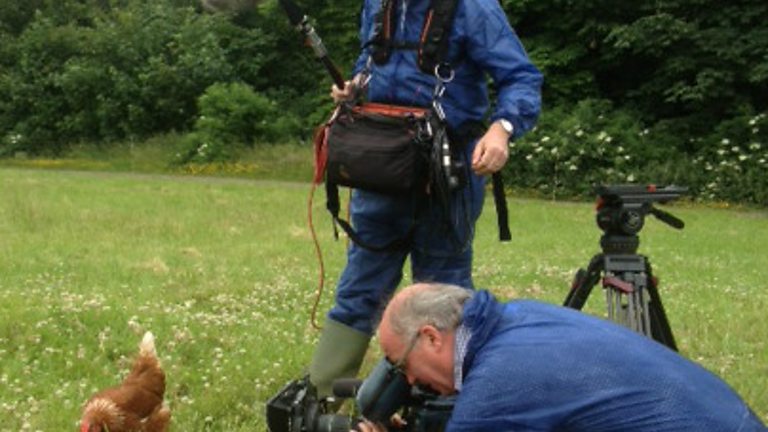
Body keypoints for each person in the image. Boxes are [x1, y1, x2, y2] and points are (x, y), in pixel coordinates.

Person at [308, 0, 543, 399]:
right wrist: (355, 87)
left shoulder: (474, 8)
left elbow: (521, 77)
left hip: (446, 177)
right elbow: (372, 63)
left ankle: (444, 407)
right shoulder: (378, 4)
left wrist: (502, 130)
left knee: (443, 295)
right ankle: (321, 400)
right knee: (359, 289)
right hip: (380, 168)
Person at [356, 283, 767, 431]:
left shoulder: (498, 384)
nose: (408, 382)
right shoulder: (521, 316)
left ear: (430, 337)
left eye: (401, 365)